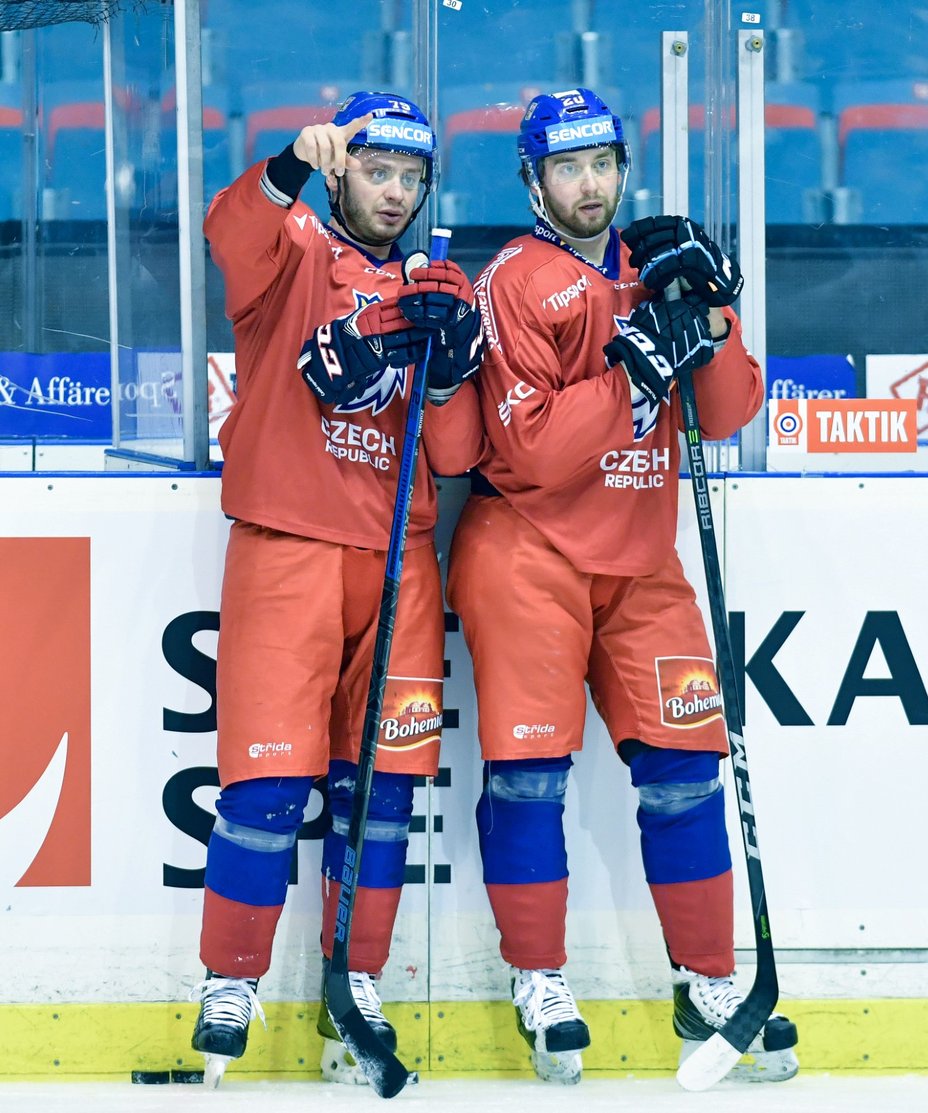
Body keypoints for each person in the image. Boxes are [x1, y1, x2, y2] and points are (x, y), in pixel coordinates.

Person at [445, 87, 799, 1085]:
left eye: (603, 162)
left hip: (643, 561)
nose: (591, 184)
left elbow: (725, 412)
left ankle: (711, 984)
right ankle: (540, 978)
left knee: (686, 775)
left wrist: (714, 311)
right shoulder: (511, 281)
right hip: (528, 553)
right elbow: (530, 448)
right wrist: (635, 376)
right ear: (532, 180)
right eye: (568, 168)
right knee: (526, 777)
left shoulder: (656, 265)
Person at [190, 90, 485, 1086]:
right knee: (267, 788)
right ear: (343, 170)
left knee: (385, 793)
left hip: (398, 562)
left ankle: (353, 979)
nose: (394, 193)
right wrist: (284, 166)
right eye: (377, 171)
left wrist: (448, 374)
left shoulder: (440, 286)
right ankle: (230, 977)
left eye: (410, 178)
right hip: (288, 547)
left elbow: (452, 452)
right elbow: (228, 236)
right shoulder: (297, 246)